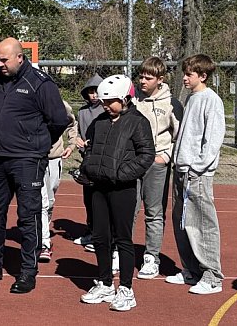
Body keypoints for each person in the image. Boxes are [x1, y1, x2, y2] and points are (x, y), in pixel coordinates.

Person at [0, 38, 68, 294]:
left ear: (20, 57)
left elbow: (58, 120)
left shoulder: (40, 83)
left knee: (28, 215)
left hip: (27, 160)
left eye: (4, 60)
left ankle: (27, 272)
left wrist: (36, 144)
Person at [78, 74, 154, 312]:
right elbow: (89, 150)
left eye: (111, 101)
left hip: (123, 189)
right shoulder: (99, 121)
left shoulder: (138, 122)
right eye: (103, 101)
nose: (106, 105)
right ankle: (105, 282)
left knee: (123, 238)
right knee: (100, 237)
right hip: (98, 187)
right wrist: (87, 169)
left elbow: (146, 155)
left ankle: (126, 289)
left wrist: (121, 174)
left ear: (125, 98)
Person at [165, 54, 226, 295]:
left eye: (189, 74)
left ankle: (212, 276)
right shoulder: (191, 98)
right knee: (181, 221)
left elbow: (212, 139)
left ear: (203, 75)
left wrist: (197, 167)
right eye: (185, 73)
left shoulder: (211, 100)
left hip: (197, 174)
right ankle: (191, 270)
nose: (185, 77)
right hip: (181, 170)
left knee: (202, 223)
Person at [133, 57, 182, 279]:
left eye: (148, 77)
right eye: (141, 76)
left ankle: (151, 257)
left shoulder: (171, 103)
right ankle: (119, 251)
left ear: (160, 79)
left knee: (154, 213)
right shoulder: (132, 99)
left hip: (157, 164)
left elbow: (179, 136)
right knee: (128, 210)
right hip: (133, 164)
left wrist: (165, 156)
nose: (143, 80)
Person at [39, 100, 78, 262]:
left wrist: (72, 143)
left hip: (54, 158)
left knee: (51, 198)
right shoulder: (28, 100)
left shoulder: (61, 104)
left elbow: (71, 123)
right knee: (42, 201)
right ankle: (44, 242)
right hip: (35, 158)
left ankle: (44, 227)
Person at [73, 73, 104, 252]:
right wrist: (77, 139)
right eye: (90, 92)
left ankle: (99, 235)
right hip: (86, 160)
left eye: (97, 91)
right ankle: (91, 230)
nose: (94, 95)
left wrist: (92, 143)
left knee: (99, 199)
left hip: (101, 159)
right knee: (88, 198)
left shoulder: (105, 110)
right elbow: (78, 131)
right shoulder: (83, 111)